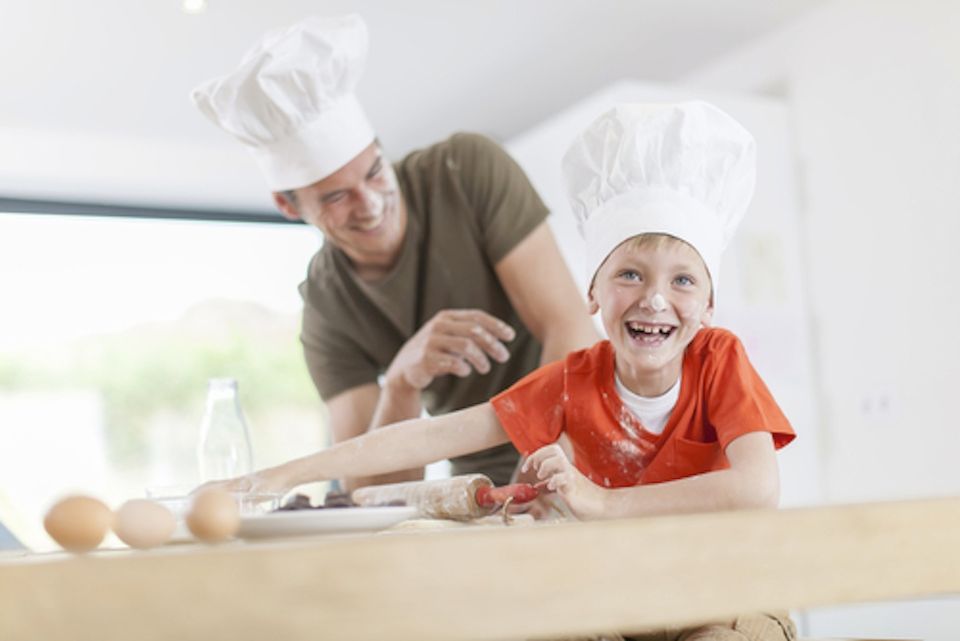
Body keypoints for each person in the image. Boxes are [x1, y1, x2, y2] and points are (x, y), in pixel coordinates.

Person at [208, 100, 798, 640]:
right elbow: (426, 435)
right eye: (630, 275)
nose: (654, 298)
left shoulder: (718, 359)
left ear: (709, 305)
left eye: (683, 281)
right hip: (613, 596)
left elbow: (755, 487)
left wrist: (600, 503)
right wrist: (278, 477)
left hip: (718, 589)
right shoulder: (570, 382)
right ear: (592, 292)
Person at [191, 14, 598, 490]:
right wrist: (404, 382)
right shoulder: (327, 307)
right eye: (336, 197)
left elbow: (569, 330)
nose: (371, 204)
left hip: (576, 453)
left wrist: (548, 475)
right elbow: (370, 491)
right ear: (287, 204)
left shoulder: (464, 171)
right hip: (480, 484)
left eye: (374, 172)